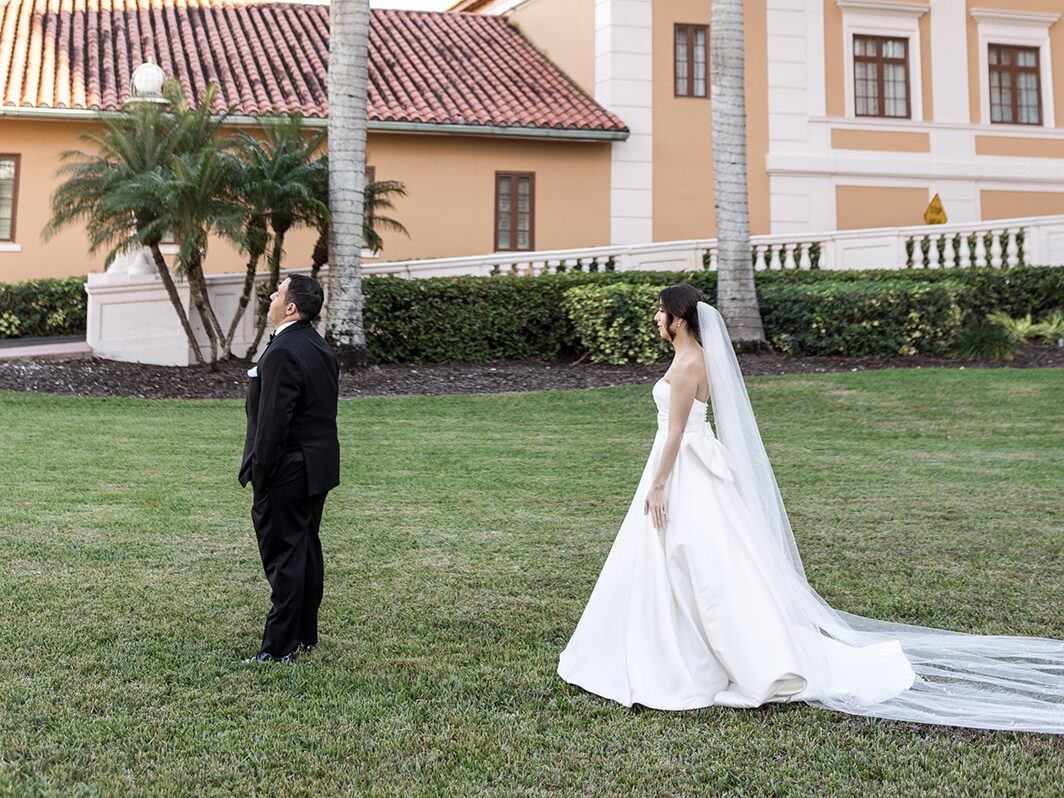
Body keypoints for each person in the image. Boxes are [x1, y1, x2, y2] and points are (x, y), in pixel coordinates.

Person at [558, 284, 1064, 732]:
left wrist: (659, 484)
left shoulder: (690, 363)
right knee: (704, 557)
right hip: (694, 465)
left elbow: (675, 434)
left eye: (660, 311)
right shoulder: (696, 358)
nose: (655, 318)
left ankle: (703, 655)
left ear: (680, 318)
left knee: (695, 556)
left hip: (683, 469)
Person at [239, 274, 340, 664]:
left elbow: (273, 423)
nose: (271, 297)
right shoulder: (318, 346)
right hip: (317, 466)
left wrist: (261, 474)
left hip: (287, 469)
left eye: (278, 293)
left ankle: (278, 648)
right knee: (305, 549)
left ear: (292, 307)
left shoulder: (283, 350)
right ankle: (303, 635)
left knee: (284, 556)